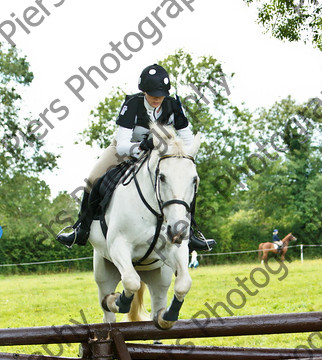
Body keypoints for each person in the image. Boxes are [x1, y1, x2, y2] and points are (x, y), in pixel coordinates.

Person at [56, 64, 215, 252]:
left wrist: (182, 157)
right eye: (152, 93)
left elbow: (187, 138)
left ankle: (191, 233)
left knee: (188, 183)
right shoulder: (132, 104)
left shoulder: (172, 104)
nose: (157, 98)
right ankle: (80, 230)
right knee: (92, 179)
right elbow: (123, 143)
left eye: (160, 94)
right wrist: (140, 146)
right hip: (124, 151)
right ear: (144, 91)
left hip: (160, 155)